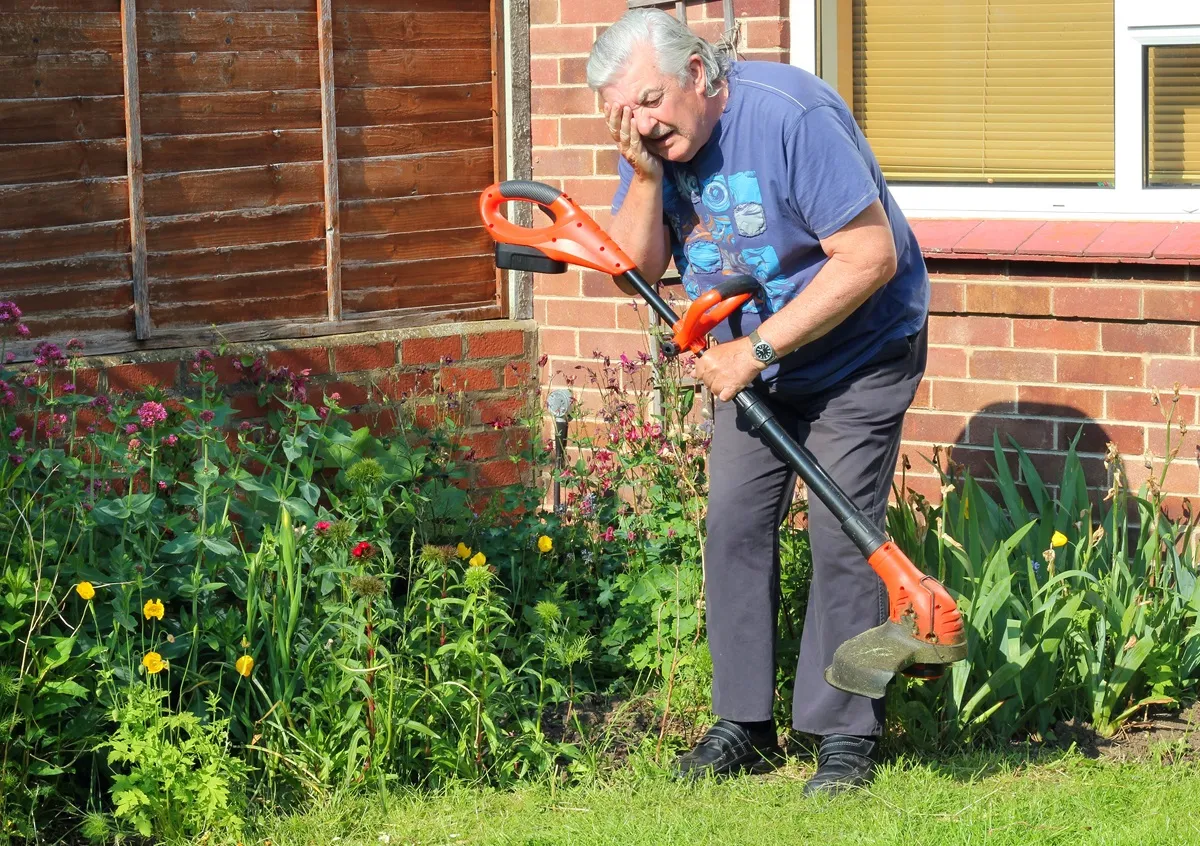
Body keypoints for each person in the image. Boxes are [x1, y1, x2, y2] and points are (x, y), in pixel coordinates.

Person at [585, 9, 930, 795]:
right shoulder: (653, 149)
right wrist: (644, 177)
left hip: (858, 352)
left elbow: (869, 255)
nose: (644, 124)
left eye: (651, 101)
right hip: (752, 367)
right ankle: (744, 724)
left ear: (697, 74)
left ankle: (843, 735)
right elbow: (634, 269)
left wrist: (757, 349)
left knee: (843, 536)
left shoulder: (789, 118)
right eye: (625, 113)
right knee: (734, 524)